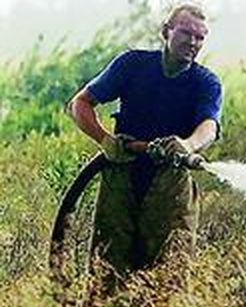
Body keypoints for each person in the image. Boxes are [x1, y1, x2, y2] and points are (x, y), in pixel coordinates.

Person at [68, 4, 222, 286]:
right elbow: (80, 103)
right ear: (166, 32)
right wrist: (105, 140)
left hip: (171, 184)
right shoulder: (132, 65)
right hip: (121, 175)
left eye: (200, 37)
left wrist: (187, 146)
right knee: (106, 275)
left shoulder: (206, 82)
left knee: (168, 281)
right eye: (186, 32)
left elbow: (209, 127)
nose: (192, 42)